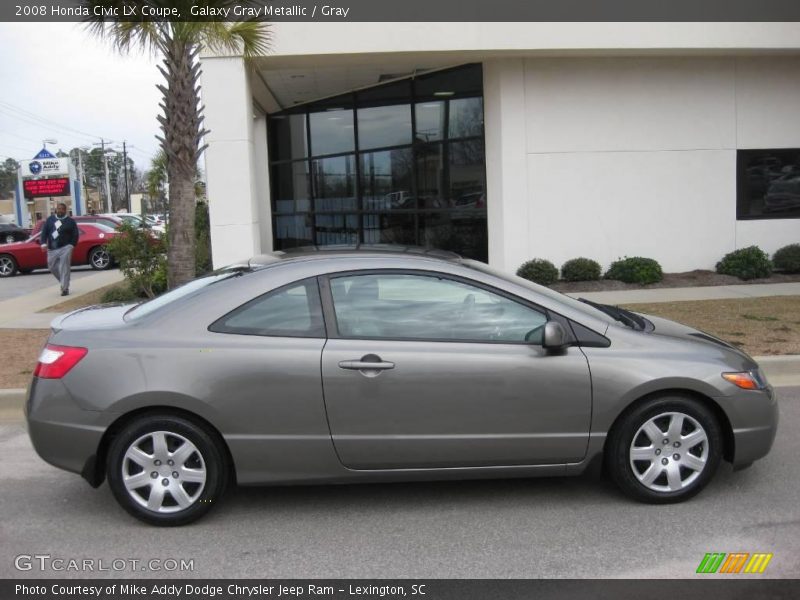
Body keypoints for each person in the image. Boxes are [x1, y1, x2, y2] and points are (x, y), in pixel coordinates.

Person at [40, 202, 79, 296]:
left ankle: (64, 288)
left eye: (62, 209)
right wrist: (43, 243)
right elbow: (44, 232)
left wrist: (72, 245)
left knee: (64, 267)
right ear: (56, 209)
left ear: (65, 210)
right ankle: (64, 280)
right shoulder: (50, 220)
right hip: (52, 248)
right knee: (52, 267)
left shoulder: (70, 221)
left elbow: (75, 234)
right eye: (58, 208)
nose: (60, 210)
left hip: (65, 247)